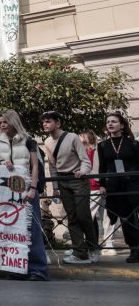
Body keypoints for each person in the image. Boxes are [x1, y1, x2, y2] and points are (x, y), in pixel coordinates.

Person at [0, 110, 48, 281]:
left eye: (5, 122)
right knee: (12, 231)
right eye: (0, 122)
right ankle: (16, 268)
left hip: (26, 190)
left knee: (32, 231)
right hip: (7, 192)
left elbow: (35, 166)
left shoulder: (28, 140)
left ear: (13, 122)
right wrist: (2, 162)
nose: (2, 125)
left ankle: (37, 270)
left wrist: (33, 188)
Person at [41, 111, 97, 264]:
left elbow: (85, 160)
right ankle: (80, 252)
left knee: (83, 215)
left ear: (58, 123)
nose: (45, 124)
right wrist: (55, 186)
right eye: (43, 122)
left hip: (78, 179)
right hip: (62, 179)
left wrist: (83, 171)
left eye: (48, 121)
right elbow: (52, 166)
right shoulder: (47, 142)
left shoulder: (72, 137)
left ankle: (93, 248)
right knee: (72, 217)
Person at [97, 112, 139, 263]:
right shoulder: (102, 145)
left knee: (133, 216)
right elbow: (102, 166)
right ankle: (134, 248)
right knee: (125, 217)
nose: (110, 124)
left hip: (133, 184)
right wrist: (102, 184)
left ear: (121, 125)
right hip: (115, 186)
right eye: (108, 122)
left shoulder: (133, 144)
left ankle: (136, 247)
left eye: (114, 121)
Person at [81, 130, 115, 255]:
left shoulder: (95, 150)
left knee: (97, 215)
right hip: (95, 186)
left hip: (96, 186)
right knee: (103, 216)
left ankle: (103, 243)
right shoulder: (86, 151)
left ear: (87, 138)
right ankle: (105, 243)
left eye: (82, 138)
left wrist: (101, 183)